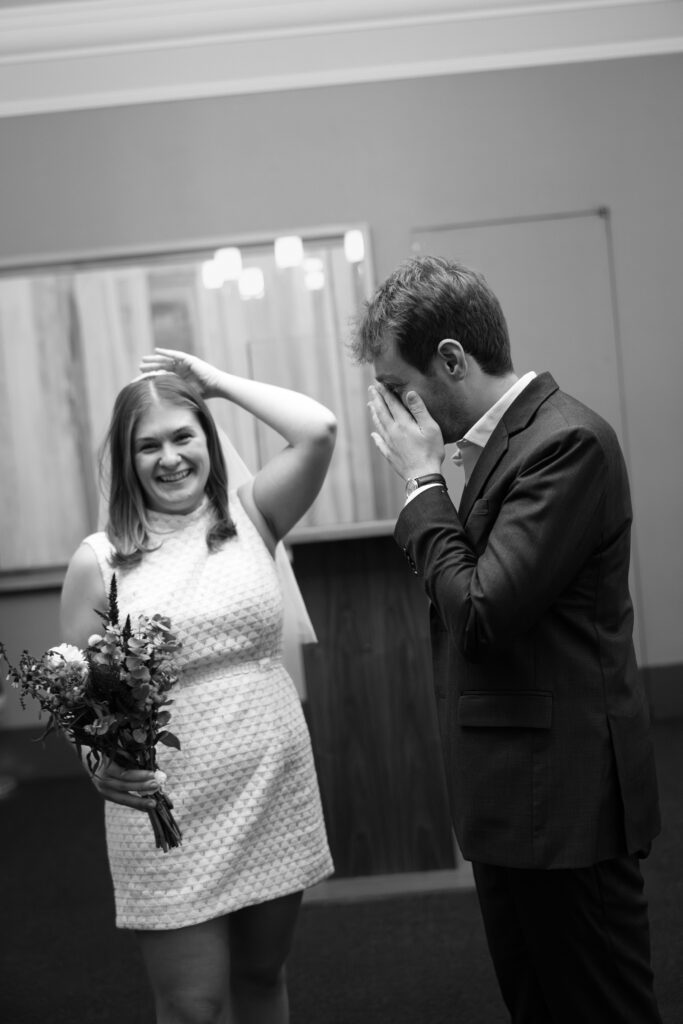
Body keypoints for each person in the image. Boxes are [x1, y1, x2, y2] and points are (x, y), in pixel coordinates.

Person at [356, 255, 663, 1024]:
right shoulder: (507, 446)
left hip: (563, 803)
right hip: (514, 797)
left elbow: (483, 611)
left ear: (451, 359)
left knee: (601, 1009)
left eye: (398, 388)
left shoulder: (565, 443)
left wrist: (424, 486)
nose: (392, 413)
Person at [60, 348, 337, 1024]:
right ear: (126, 462)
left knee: (261, 977)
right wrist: (98, 763)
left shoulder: (253, 515)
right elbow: (75, 695)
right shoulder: (98, 561)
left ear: (208, 439)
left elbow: (318, 429)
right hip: (167, 806)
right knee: (192, 1005)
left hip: (271, 780)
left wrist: (213, 382)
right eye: (147, 445)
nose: (170, 457)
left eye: (184, 435)